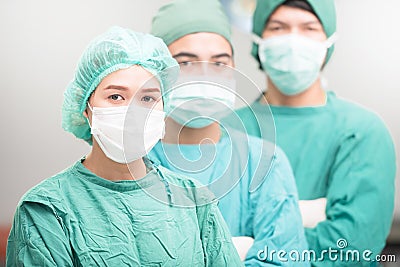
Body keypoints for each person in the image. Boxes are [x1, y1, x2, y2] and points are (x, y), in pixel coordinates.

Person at [6, 26, 243, 266]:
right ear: (86, 108)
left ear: (163, 110)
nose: (132, 112)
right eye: (116, 97)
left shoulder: (193, 199)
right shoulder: (47, 208)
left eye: (148, 98)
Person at [229, 0, 396, 265]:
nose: (293, 40)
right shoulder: (226, 130)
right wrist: (301, 216)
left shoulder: (361, 131)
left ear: (328, 41)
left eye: (308, 28)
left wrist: (252, 245)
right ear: (259, 39)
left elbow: (352, 247)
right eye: (278, 27)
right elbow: (208, 237)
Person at [149, 0, 309, 265]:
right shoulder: (129, 163)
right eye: (186, 63)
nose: (204, 75)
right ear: (156, 70)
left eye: (219, 63)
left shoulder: (264, 161)